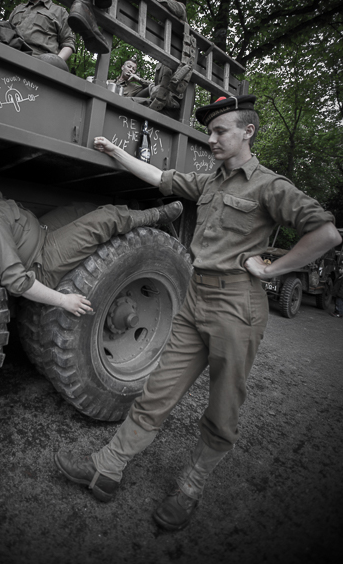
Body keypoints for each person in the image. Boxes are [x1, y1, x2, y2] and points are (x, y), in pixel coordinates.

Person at [54, 94, 342, 529]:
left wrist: (273, 269)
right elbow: (161, 177)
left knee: (222, 409)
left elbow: (326, 234)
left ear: (248, 132)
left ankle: (190, 487)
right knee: (157, 392)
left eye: (220, 131)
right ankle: (106, 469)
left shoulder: (270, 185)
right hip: (195, 299)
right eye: (209, 132)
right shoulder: (210, 182)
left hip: (237, 308)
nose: (211, 139)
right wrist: (116, 152)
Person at [0, 146, 183, 315]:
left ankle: (132, 215)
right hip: (42, 262)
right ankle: (154, 217)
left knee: (81, 209)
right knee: (103, 219)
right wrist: (64, 300)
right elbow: (15, 281)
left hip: (42, 232)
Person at [8, 0, 76, 72]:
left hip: (40, 62)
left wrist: (55, 63)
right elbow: (5, 31)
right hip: (10, 55)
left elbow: (68, 43)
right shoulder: (18, 8)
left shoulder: (60, 12)